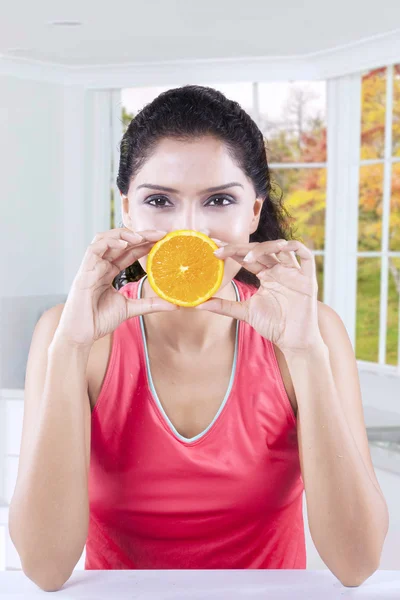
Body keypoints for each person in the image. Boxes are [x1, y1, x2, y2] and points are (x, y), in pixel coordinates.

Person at [8, 85, 385, 592]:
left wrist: (306, 355)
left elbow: (357, 564)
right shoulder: (69, 335)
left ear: (253, 212)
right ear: (127, 209)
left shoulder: (313, 333)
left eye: (219, 200)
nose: (189, 231)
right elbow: (44, 569)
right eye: (159, 201)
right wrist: (70, 350)